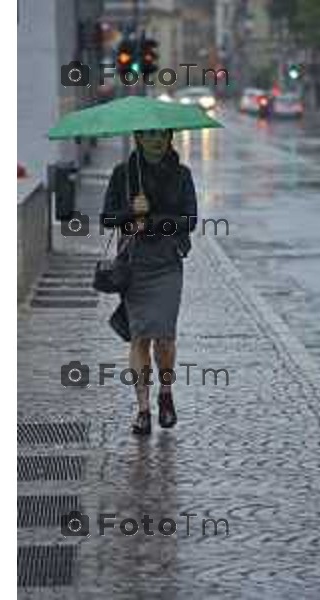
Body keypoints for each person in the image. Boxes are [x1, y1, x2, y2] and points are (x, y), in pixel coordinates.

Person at [100, 129, 198, 435]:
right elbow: (107, 218)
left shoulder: (181, 174)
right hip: (135, 264)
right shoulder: (123, 174)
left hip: (167, 263)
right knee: (140, 336)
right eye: (148, 135)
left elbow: (190, 220)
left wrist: (155, 221)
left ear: (169, 137)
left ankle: (165, 394)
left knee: (165, 336)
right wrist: (131, 212)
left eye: (161, 135)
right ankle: (143, 409)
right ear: (137, 138)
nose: (155, 140)